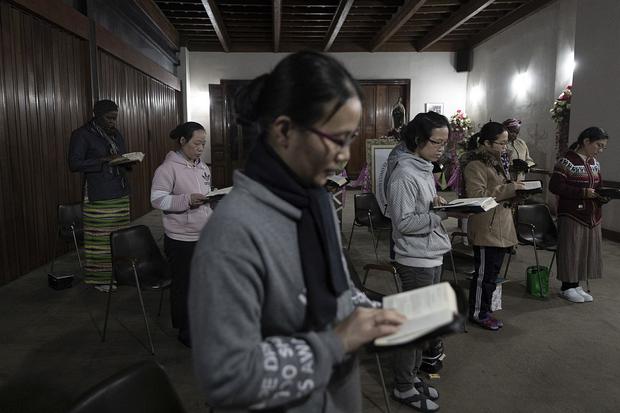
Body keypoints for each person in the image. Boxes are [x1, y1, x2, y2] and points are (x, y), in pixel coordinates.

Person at [188, 51, 405, 412]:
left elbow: (336, 291)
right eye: (336, 139)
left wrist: (379, 313)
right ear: (284, 130)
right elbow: (228, 378)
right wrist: (336, 343)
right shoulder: (232, 233)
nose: (345, 157)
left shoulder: (314, 201)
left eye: (351, 139)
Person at [386, 112, 452, 412]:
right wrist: (440, 215)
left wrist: (435, 204)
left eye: (445, 143)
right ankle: (402, 386)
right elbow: (403, 223)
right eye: (436, 142)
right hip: (415, 259)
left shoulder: (423, 168)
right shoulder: (404, 174)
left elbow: (419, 208)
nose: (441, 149)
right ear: (417, 140)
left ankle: (411, 378)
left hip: (431, 253)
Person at [151, 121, 212, 347]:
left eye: (203, 144)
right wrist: (187, 200)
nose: (200, 148)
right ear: (183, 141)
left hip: (202, 234)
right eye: (196, 143)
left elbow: (205, 194)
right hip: (181, 238)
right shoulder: (167, 169)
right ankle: (186, 332)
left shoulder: (202, 166)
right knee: (184, 286)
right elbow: (157, 200)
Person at [463, 122, 525, 330]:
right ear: (486, 143)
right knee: (484, 275)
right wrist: (509, 189)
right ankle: (478, 313)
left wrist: (517, 190)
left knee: (493, 273)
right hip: (486, 227)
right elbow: (476, 196)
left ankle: (485, 309)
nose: (505, 147)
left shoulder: (497, 162)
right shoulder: (476, 165)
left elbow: (499, 188)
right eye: (502, 143)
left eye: (507, 143)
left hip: (500, 224)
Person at [68, 99, 133, 291]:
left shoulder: (115, 134)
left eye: (115, 118)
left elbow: (120, 156)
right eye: (109, 118)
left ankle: (119, 274)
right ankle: (100, 279)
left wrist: (128, 161)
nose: (113, 122)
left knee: (118, 237)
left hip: (119, 191)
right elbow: (74, 164)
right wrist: (104, 160)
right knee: (101, 239)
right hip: (99, 193)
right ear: (97, 115)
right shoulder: (82, 135)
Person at [549, 127, 609, 303]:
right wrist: (582, 193)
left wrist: (603, 196)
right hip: (572, 214)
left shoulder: (594, 163)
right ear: (586, 141)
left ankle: (576, 284)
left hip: (592, 215)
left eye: (603, 147)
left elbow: (599, 187)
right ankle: (567, 286)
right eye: (598, 145)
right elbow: (555, 187)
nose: (600, 150)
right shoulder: (566, 161)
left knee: (585, 250)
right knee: (572, 249)